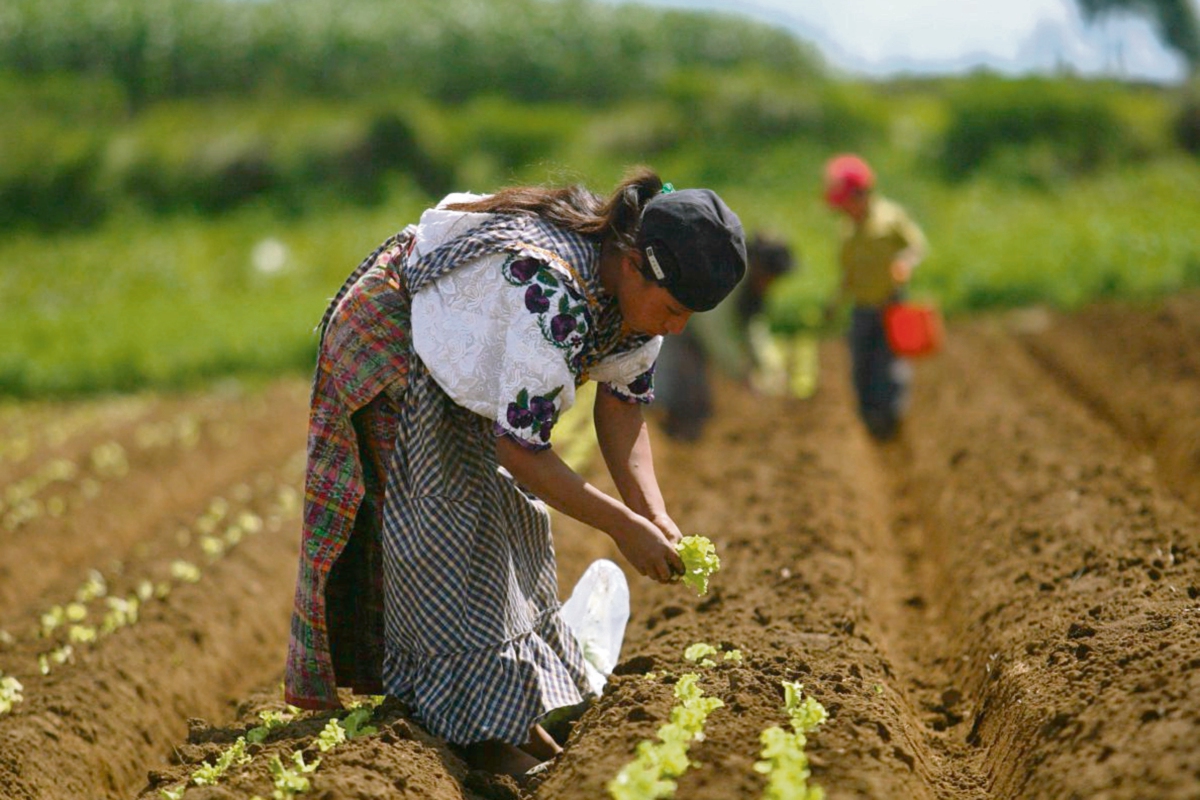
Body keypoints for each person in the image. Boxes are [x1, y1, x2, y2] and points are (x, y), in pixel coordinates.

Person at [283, 167, 747, 781]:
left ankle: (505, 715)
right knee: (445, 537)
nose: (676, 327)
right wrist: (620, 526)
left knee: (505, 527)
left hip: (465, 356)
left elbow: (623, 407)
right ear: (634, 264)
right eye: (673, 310)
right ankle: (474, 734)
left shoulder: (634, 299)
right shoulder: (552, 294)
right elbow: (521, 451)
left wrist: (652, 514)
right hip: (394, 341)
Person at [823, 154, 927, 441]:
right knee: (861, 364)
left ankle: (889, 417)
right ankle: (868, 417)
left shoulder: (891, 218)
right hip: (862, 307)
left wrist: (905, 263)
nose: (843, 210)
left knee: (889, 364)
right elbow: (848, 274)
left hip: (891, 302)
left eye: (845, 202)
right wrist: (835, 303)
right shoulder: (846, 230)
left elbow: (916, 246)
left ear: (861, 194)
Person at [653, 233, 796, 440]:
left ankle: (684, 440)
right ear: (760, 269)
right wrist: (741, 371)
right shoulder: (729, 277)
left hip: (695, 329)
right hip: (678, 326)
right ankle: (672, 440)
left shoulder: (751, 288)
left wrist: (771, 368)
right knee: (684, 394)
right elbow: (713, 329)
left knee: (697, 398)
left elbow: (753, 329)